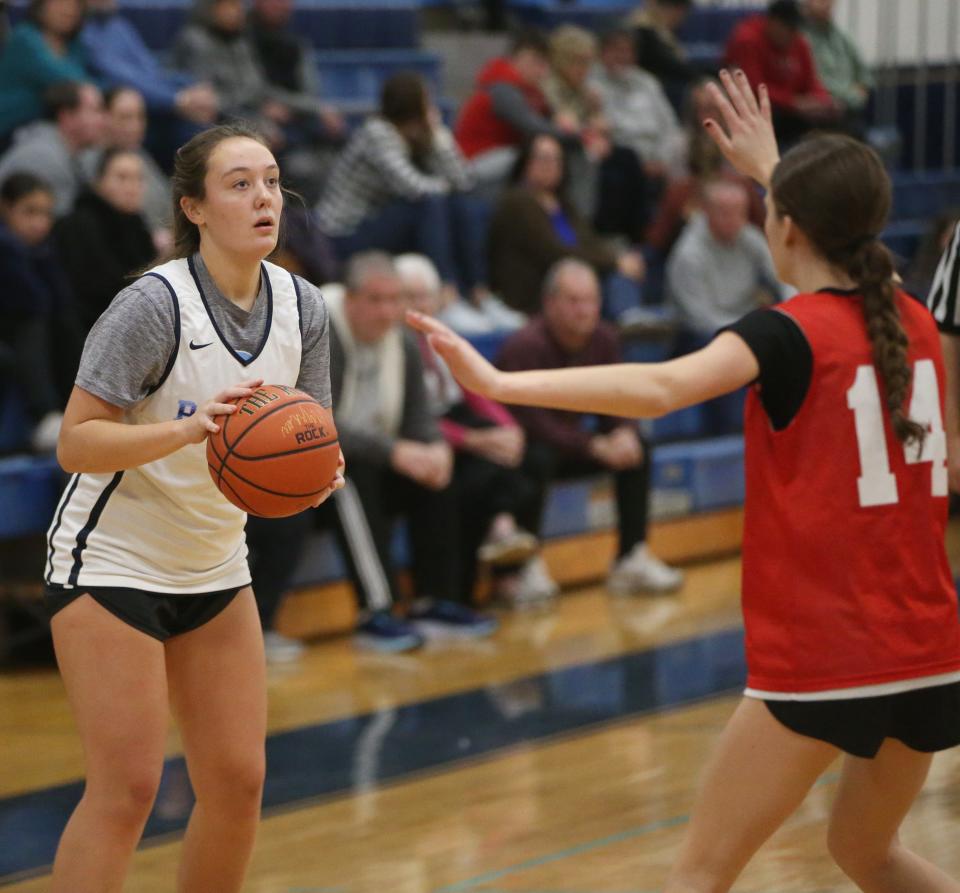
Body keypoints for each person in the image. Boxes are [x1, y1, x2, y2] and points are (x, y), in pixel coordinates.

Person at [409, 71, 960, 892]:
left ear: (783, 228)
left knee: (697, 877)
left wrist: (501, 383)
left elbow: (659, 388)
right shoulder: (913, 319)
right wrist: (776, 171)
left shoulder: (783, 334)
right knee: (866, 852)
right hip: (928, 651)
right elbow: (832, 237)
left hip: (827, 653)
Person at [43, 122, 342, 891]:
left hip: (213, 559)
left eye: (272, 180)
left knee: (239, 783)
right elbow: (76, 443)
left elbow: (309, 436)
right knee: (128, 790)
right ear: (195, 209)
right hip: (113, 556)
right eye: (239, 183)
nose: (264, 197)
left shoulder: (304, 305)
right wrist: (187, 430)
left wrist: (317, 469)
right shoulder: (152, 305)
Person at [318, 252, 498, 651]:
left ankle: (435, 599)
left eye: (394, 300)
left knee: (438, 471)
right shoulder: (321, 329)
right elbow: (318, 420)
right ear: (350, 300)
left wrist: (435, 448)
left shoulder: (402, 340)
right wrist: (395, 451)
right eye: (375, 300)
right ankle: (376, 611)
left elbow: (419, 415)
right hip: (320, 463)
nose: (387, 311)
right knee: (346, 474)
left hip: (378, 454)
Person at [495, 258, 682, 600]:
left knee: (636, 447)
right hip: (521, 454)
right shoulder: (524, 346)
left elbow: (620, 394)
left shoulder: (605, 339)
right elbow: (532, 424)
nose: (584, 310)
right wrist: (593, 445)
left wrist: (624, 430)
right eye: (573, 301)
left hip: (571, 447)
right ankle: (522, 567)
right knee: (537, 457)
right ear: (550, 304)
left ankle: (631, 557)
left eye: (591, 300)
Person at [397, 252, 540, 604]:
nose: (420, 305)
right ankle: (503, 543)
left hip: (455, 423)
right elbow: (409, 419)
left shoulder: (442, 337)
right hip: (425, 433)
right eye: (410, 296)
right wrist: (475, 440)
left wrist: (508, 428)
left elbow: (475, 389)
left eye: (425, 295)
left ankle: (509, 560)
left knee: (526, 457)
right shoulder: (395, 346)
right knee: (483, 477)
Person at [317, 73, 485, 300]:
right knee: (431, 204)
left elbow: (464, 181)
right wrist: (445, 180)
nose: (432, 107)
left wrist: (438, 136)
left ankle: (477, 291)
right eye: (428, 101)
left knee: (461, 204)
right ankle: (445, 290)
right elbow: (413, 187)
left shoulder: (416, 136)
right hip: (344, 234)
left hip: (377, 220)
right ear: (413, 105)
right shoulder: (377, 133)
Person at [487, 134, 645, 321]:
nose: (550, 165)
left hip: (576, 277)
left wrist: (620, 259)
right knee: (611, 279)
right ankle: (632, 323)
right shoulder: (517, 202)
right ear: (526, 162)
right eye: (543, 158)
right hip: (538, 290)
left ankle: (634, 324)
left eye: (556, 160)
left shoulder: (562, 203)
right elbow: (554, 252)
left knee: (622, 272)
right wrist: (615, 263)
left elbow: (589, 241)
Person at [0, 171, 82, 451]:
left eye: (46, 214)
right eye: (29, 212)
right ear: (6, 208)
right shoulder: (7, 245)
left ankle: (75, 410)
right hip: (11, 331)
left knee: (66, 323)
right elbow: (30, 300)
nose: (39, 223)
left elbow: (62, 300)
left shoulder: (43, 250)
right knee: (32, 322)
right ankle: (44, 413)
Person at [54, 146, 158, 333]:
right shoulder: (80, 224)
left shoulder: (136, 223)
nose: (132, 186)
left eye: (138, 178)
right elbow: (95, 293)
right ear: (99, 182)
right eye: (122, 177)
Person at [724, 0, 838, 146]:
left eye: (795, 29)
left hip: (793, 111)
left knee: (834, 120)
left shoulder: (798, 42)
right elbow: (753, 88)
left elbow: (811, 81)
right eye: (789, 28)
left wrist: (824, 101)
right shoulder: (748, 39)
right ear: (772, 23)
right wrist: (794, 103)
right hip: (763, 112)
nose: (793, 34)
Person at [0, 81, 104, 217]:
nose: (103, 120)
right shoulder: (43, 157)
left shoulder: (78, 153)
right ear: (67, 116)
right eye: (95, 111)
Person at [0, 0, 90, 141]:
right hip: (10, 128)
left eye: (75, 6)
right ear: (40, 6)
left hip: (47, 127)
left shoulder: (74, 45)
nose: (68, 10)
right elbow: (68, 81)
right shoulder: (24, 38)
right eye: (60, 4)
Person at [802, 0, 872, 135]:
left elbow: (864, 81)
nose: (826, 4)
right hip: (816, 115)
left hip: (850, 112)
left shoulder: (844, 38)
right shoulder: (799, 39)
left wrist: (851, 99)